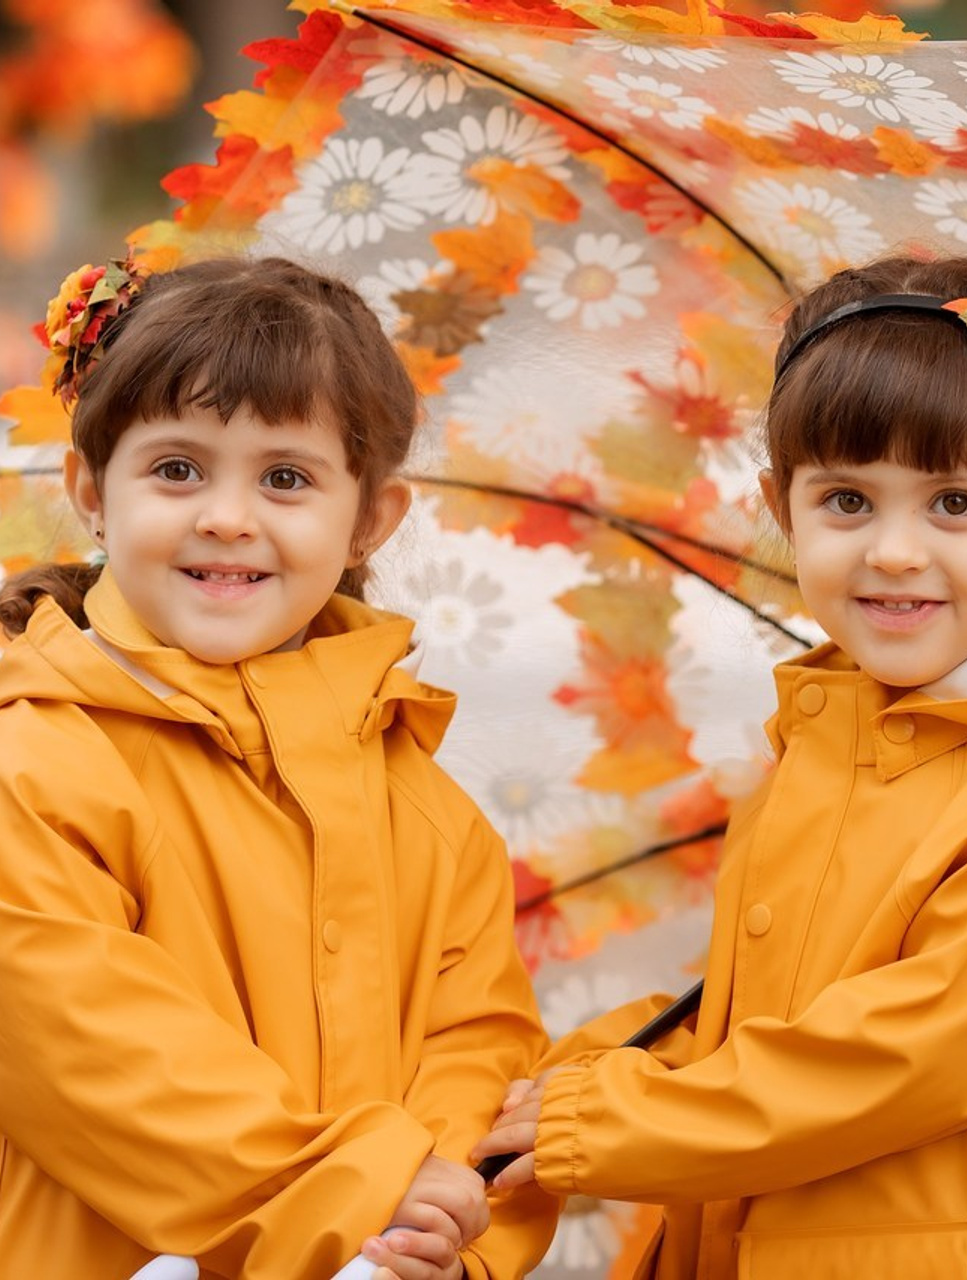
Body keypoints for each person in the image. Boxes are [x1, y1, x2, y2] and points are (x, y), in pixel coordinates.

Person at [472, 253, 967, 1278]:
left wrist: (604, 1118)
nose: (894, 550)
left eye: (954, 503)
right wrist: (570, 1079)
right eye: (848, 501)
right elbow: (756, 1024)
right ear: (783, 509)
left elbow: (895, 1063)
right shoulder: (826, 757)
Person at [0, 255, 557, 1280]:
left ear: (369, 521)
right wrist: (351, 1184)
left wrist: (439, 1232)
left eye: (285, 478)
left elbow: (480, 1049)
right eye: (177, 469)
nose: (227, 516)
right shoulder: (33, 762)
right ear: (89, 490)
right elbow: (77, 1045)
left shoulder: (430, 817)